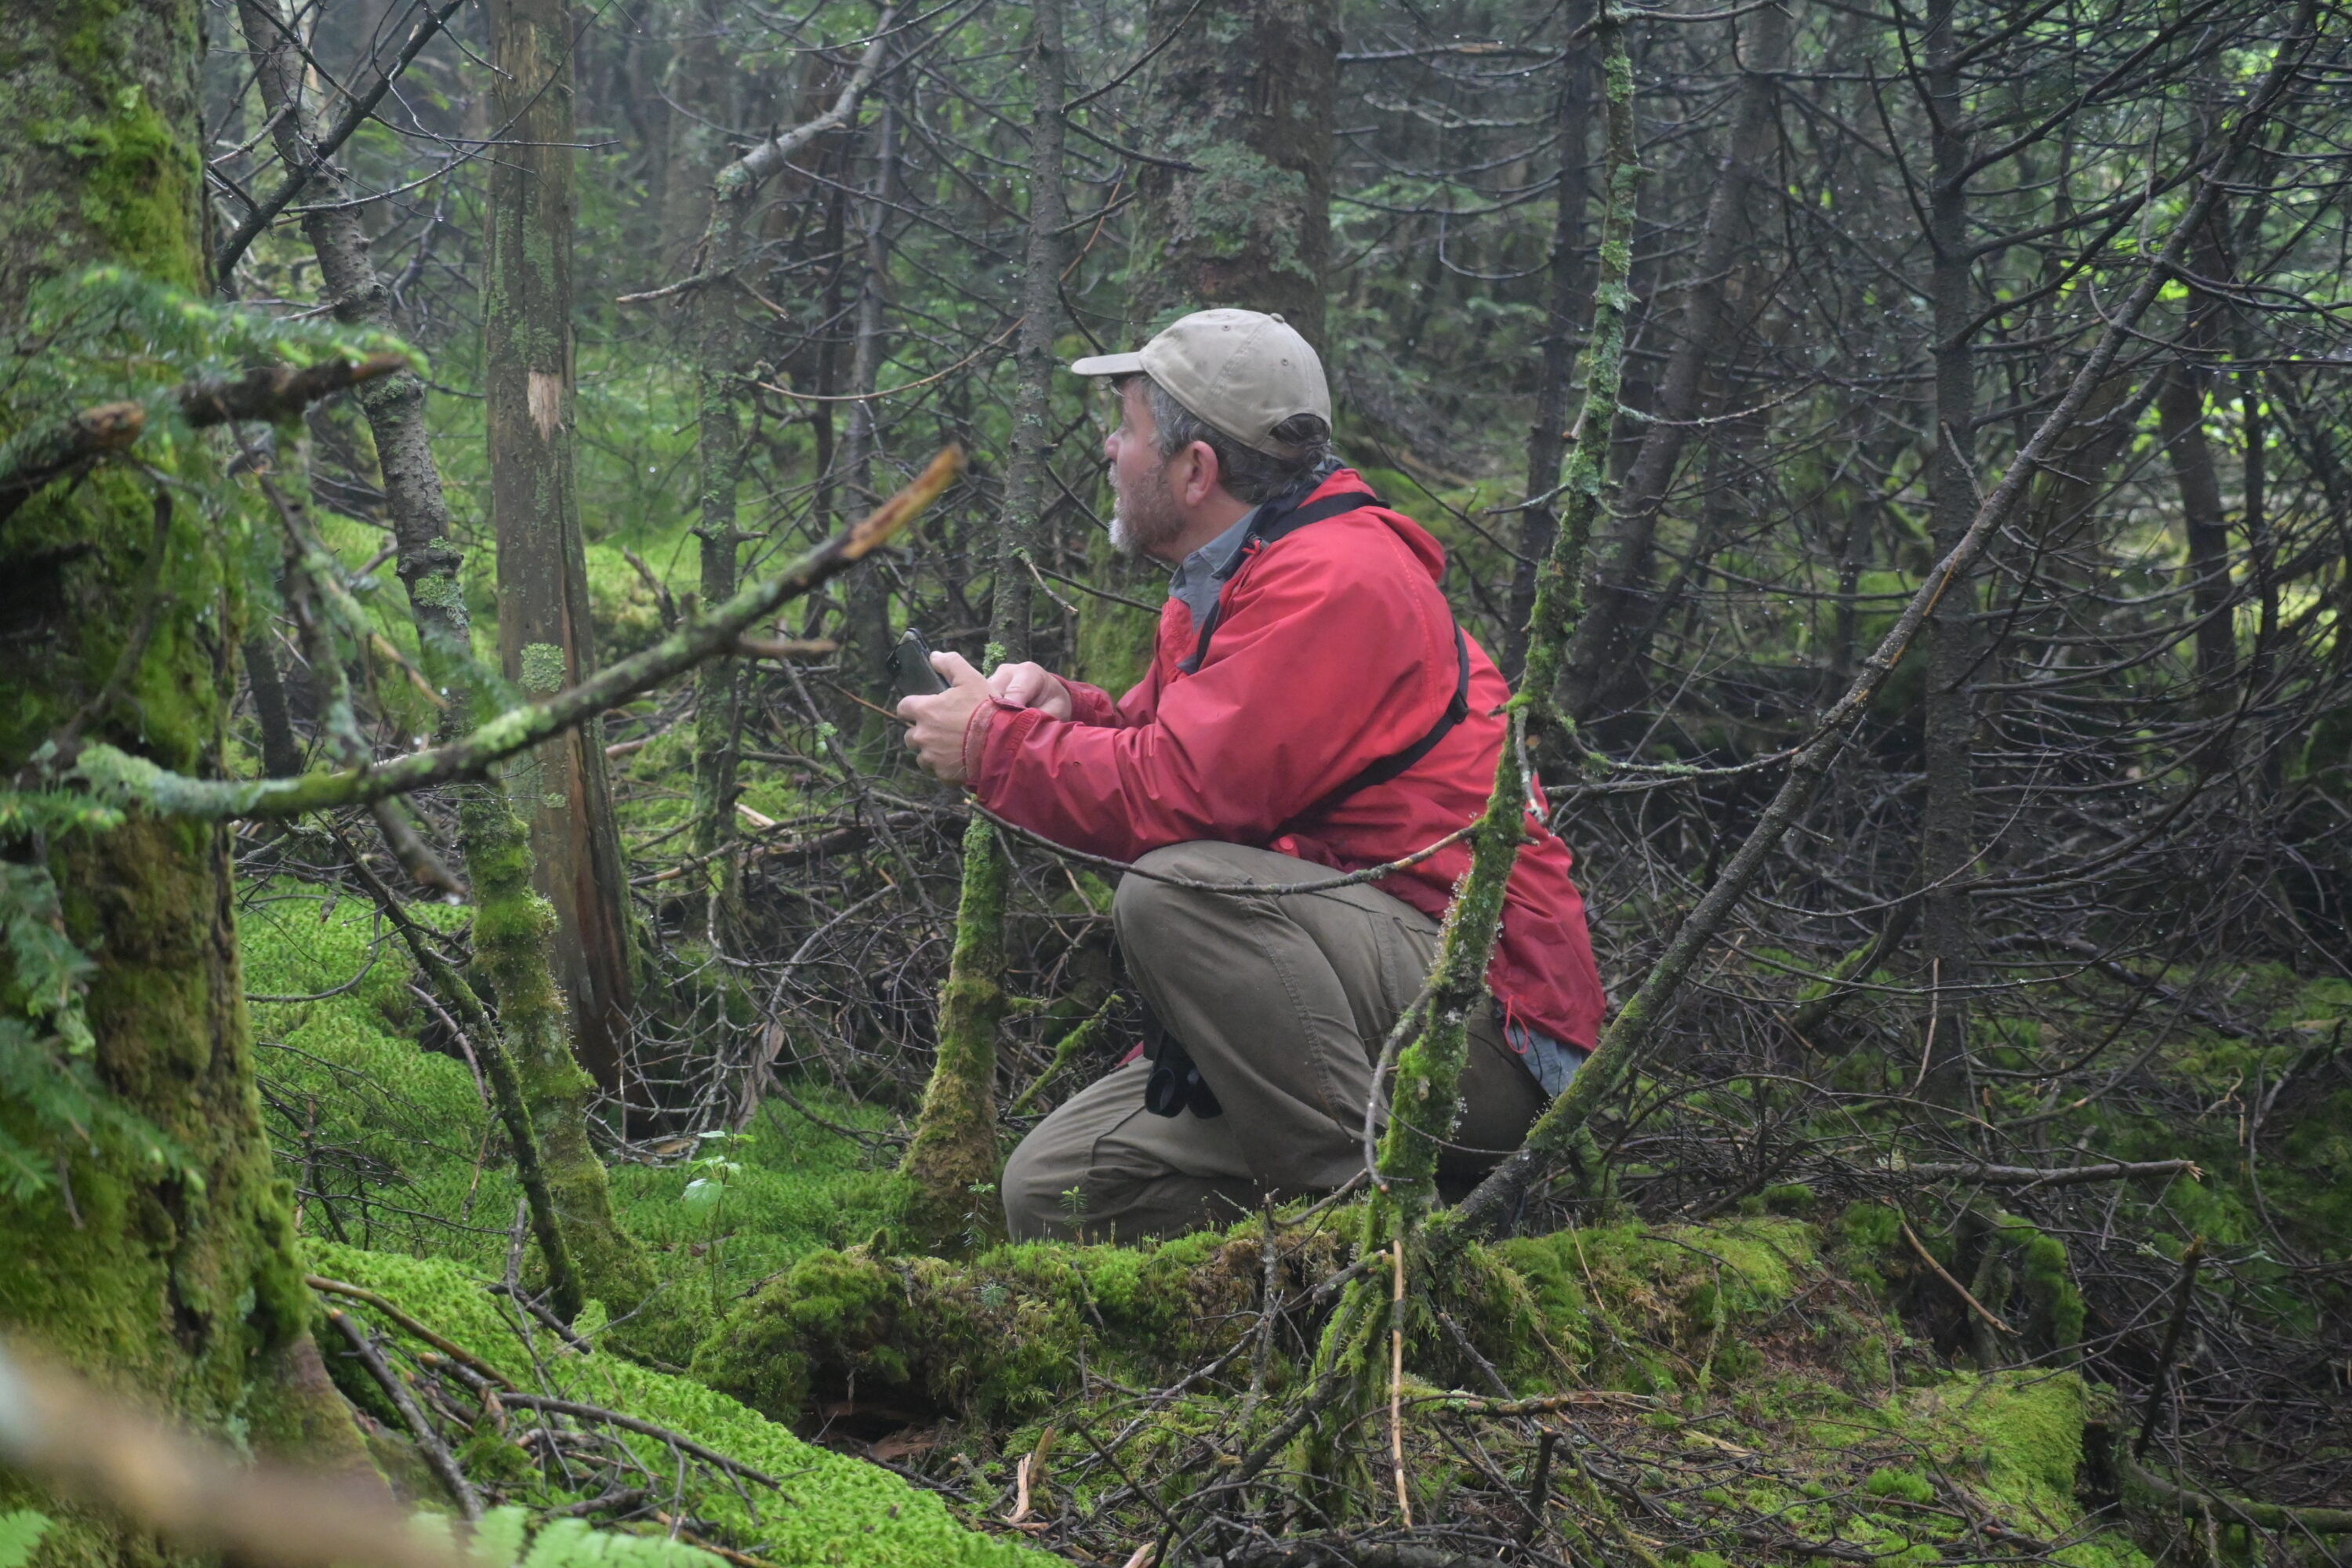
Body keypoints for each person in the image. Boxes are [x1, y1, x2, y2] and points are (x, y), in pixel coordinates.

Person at [898, 307, 1605, 1241]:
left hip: (1493, 1038)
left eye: (1130, 427)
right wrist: (1068, 708)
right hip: (1373, 997)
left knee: (1173, 892)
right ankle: (1331, 1271)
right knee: (1061, 1190)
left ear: (1196, 471)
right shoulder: (1241, 570)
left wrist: (993, 745)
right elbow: (1192, 745)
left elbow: (1181, 795)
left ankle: (1371, 1241)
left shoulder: (1334, 581)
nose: (1111, 448)